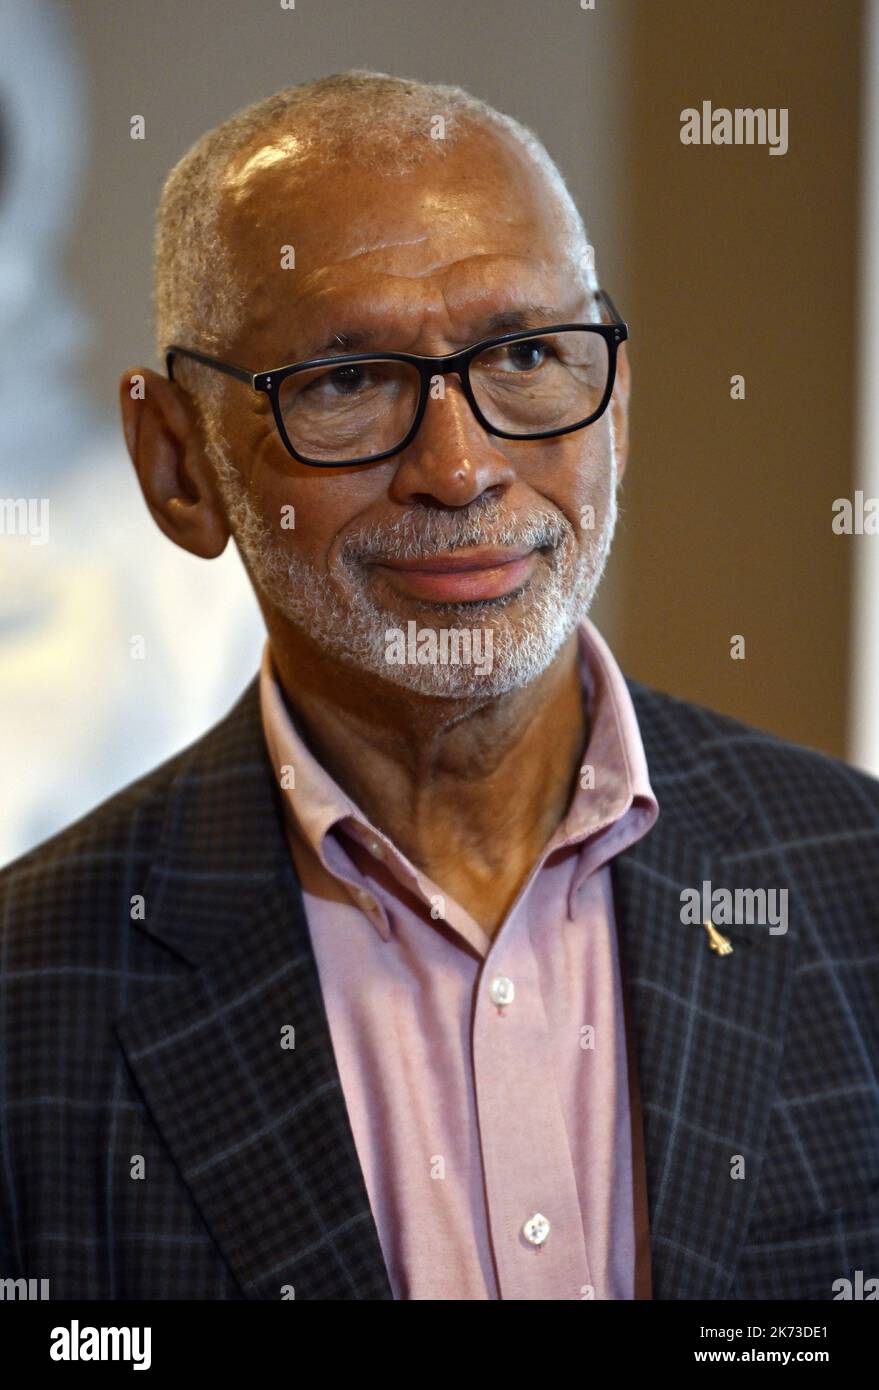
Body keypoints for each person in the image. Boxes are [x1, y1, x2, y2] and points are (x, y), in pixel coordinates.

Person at [1, 70, 877, 1302]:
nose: (460, 470)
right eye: (346, 382)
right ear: (177, 465)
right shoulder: (27, 997)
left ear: (615, 410)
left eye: (525, 353)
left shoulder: (853, 876)